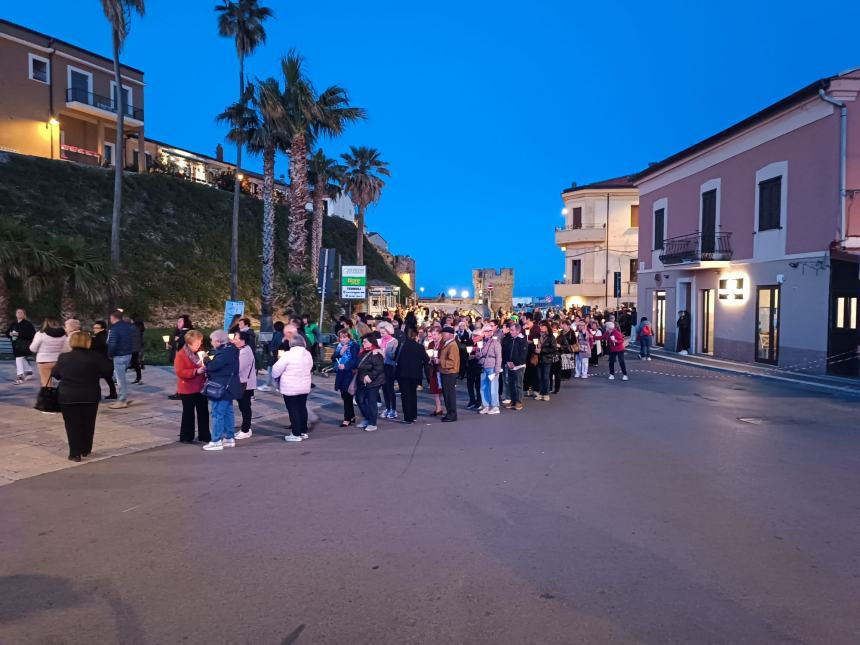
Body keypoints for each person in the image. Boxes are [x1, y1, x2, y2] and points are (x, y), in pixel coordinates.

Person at [51, 331, 113, 462]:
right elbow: (107, 371)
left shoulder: (64, 357)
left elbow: (55, 374)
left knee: (71, 424)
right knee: (88, 423)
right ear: (88, 342)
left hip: (68, 395)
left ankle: (74, 453)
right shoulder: (96, 357)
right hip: (90, 395)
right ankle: (85, 448)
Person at [201, 329, 242, 451]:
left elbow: (212, 367)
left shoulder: (224, 353)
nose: (211, 343)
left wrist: (206, 358)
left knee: (217, 413)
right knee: (228, 412)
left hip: (222, 386)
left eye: (212, 341)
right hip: (230, 386)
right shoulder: (232, 349)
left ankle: (216, 440)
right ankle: (229, 438)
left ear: (218, 341)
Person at [273, 335, 314, 442]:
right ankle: (303, 431)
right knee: (302, 408)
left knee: (293, 409)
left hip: (290, 386)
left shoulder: (288, 354)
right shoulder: (307, 354)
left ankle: (296, 433)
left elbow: (276, 369)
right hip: (304, 385)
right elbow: (310, 367)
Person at [173, 329, 211, 444]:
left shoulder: (201, 351)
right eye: (196, 343)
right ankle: (186, 436)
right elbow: (180, 372)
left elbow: (208, 362)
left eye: (200, 342)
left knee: (203, 412)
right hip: (187, 388)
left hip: (201, 387)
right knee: (188, 413)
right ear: (189, 344)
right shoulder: (181, 355)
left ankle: (204, 435)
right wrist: (196, 371)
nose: (199, 345)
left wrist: (208, 364)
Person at [394, 327, 425, 425]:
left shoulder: (401, 345)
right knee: (413, 394)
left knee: (405, 395)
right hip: (415, 374)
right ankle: (414, 415)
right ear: (416, 336)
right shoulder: (420, 347)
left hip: (402, 374)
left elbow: (395, 357)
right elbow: (426, 359)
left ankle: (408, 417)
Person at [354, 334, 385, 432]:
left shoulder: (376, 353)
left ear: (371, 342)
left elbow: (379, 368)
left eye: (365, 341)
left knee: (371, 401)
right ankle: (368, 418)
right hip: (362, 379)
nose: (363, 343)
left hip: (373, 381)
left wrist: (370, 376)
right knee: (359, 399)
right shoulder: (363, 352)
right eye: (362, 342)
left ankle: (372, 422)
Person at [106, 310, 134, 410]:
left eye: (110, 318)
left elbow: (112, 343)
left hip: (119, 355)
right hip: (127, 354)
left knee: (120, 379)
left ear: (113, 318)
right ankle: (124, 397)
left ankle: (122, 400)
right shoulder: (127, 326)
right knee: (121, 377)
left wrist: (109, 354)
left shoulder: (115, 328)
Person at [332, 329, 360, 427]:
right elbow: (333, 357)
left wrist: (346, 366)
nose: (342, 339)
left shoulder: (354, 346)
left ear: (349, 337)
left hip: (350, 373)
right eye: (341, 337)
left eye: (345, 337)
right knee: (344, 395)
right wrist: (340, 352)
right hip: (341, 373)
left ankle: (347, 418)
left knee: (348, 395)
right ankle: (351, 416)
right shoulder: (339, 346)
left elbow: (355, 360)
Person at [29, 319, 67, 387]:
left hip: (43, 361)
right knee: (62, 382)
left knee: (46, 383)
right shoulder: (63, 334)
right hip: (58, 361)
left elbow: (33, 349)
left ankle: (48, 396)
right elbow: (65, 349)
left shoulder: (40, 334)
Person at [233, 330, 256, 440]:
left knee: (245, 406)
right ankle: (245, 428)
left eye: (236, 338)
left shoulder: (245, 352)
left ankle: (246, 429)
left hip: (245, 384)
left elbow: (238, 367)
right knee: (243, 406)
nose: (234, 340)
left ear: (242, 340)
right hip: (242, 382)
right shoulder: (241, 349)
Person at [438, 326, 461, 422]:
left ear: (451, 335)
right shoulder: (447, 343)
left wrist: (440, 361)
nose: (443, 334)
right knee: (447, 394)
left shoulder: (452, 345)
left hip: (449, 372)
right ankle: (450, 413)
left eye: (444, 333)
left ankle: (452, 414)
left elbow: (452, 362)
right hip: (445, 372)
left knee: (449, 395)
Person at [476, 325, 501, 414]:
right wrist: (479, 352)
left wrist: (497, 369)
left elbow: (499, 356)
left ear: (492, 332)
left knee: (493, 387)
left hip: (492, 366)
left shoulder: (495, 342)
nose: (487, 333)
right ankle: (486, 405)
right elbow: (477, 355)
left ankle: (495, 406)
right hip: (483, 366)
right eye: (485, 331)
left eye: (489, 331)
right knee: (483, 387)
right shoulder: (481, 343)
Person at [7, 308, 35, 384]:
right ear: (16, 314)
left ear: (24, 314)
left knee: (19, 359)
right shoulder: (13, 323)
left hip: (25, 345)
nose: (19, 313)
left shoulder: (28, 324)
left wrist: (19, 334)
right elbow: (7, 332)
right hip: (16, 345)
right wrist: (10, 334)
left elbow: (32, 334)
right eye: (18, 312)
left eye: (21, 312)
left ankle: (20, 377)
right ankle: (29, 371)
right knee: (20, 358)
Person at [168, 315, 194, 400]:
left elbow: (187, 344)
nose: (178, 323)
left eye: (180, 321)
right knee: (181, 377)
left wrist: (178, 340)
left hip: (186, 359)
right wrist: (170, 345)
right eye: (178, 321)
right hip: (180, 358)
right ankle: (181, 392)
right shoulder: (180, 332)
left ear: (185, 323)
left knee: (183, 376)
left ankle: (182, 393)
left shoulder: (187, 332)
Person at [90, 321, 117, 399]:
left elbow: (93, 348)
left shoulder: (98, 338)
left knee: (96, 379)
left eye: (96, 328)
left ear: (102, 329)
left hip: (99, 361)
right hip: (107, 361)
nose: (94, 329)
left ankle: (97, 395)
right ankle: (113, 393)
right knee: (108, 378)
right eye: (94, 327)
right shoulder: (106, 336)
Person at [378, 321, 399, 420]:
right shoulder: (379, 340)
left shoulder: (394, 341)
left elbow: (393, 356)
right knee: (384, 389)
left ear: (389, 332)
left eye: (383, 333)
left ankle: (393, 409)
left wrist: (384, 352)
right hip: (380, 366)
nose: (381, 335)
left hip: (389, 366)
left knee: (390, 389)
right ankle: (387, 407)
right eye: (380, 333)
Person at [505, 323, 528, 410]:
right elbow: (506, 351)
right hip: (510, 365)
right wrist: (508, 361)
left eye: (512, 330)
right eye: (510, 330)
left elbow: (523, 355)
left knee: (518, 384)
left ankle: (519, 402)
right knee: (511, 384)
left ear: (518, 331)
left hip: (519, 366)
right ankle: (513, 401)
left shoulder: (523, 340)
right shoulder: (510, 339)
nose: (510, 332)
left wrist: (515, 363)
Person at [535, 321, 558, 401]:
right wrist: (535, 348)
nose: (541, 328)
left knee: (545, 376)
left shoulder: (551, 337)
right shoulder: (538, 336)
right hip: (538, 358)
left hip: (547, 359)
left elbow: (554, 349)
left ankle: (546, 393)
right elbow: (535, 345)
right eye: (540, 326)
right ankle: (541, 393)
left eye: (542, 326)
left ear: (547, 327)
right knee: (539, 376)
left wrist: (542, 350)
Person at [425, 328, 444, 416]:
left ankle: (449, 409)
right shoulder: (431, 343)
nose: (433, 337)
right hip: (433, 368)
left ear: (440, 334)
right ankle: (438, 408)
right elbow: (428, 355)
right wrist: (429, 359)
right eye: (432, 335)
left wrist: (439, 359)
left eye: (435, 335)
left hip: (442, 369)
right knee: (435, 390)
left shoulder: (444, 343)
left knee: (444, 390)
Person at [464, 326, 483, 410]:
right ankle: (472, 400)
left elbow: (484, 354)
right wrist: (468, 357)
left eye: (476, 335)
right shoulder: (469, 342)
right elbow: (464, 352)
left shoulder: (482, 342)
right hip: (470, 365)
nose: (474, 337)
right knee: (469, 384)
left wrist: (476, 355)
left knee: (478, 385)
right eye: (474, 335)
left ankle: (479, 401)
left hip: (479, 366)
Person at [129, 313, 145, 384]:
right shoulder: (139, 327)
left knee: (132, 362)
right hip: (137, 347)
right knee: (135, 362)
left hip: (132, 347)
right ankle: (139, 378)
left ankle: (118, 379)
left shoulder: (133, 328)